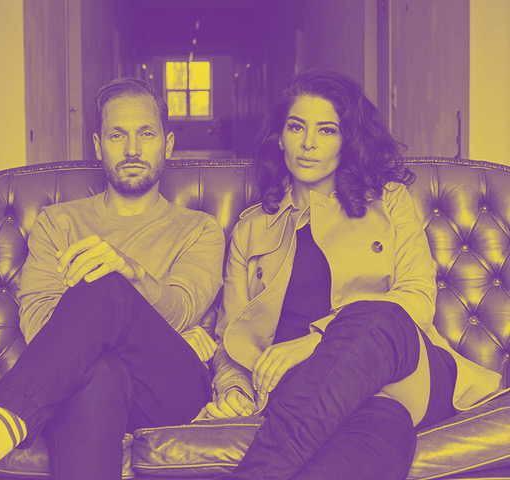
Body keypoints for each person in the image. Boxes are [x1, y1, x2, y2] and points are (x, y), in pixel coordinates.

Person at [0, 78, 224, 480]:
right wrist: (127, 326)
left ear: (168, 144)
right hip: (86, 385)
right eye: (117, 135)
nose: (132, 149)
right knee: (97, 372)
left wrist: (129, 272)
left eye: (146, 134)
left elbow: (182, 309)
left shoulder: (200, 229)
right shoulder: (59, 223)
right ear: (98, 146)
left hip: (169, 390)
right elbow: (40, 324)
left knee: (106, 284)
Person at [197, 70, 503, 479]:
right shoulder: (252, 228)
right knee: (378, 441)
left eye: (327, 130)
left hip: (404, 371)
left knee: (376, 315)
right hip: (313, 393)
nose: (308, 143)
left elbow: (416, 298)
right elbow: (231, 335)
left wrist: (316, 341)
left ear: (348, 140)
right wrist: (234, 387)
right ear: (280, 137)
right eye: (296, 127)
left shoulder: (389, 200)